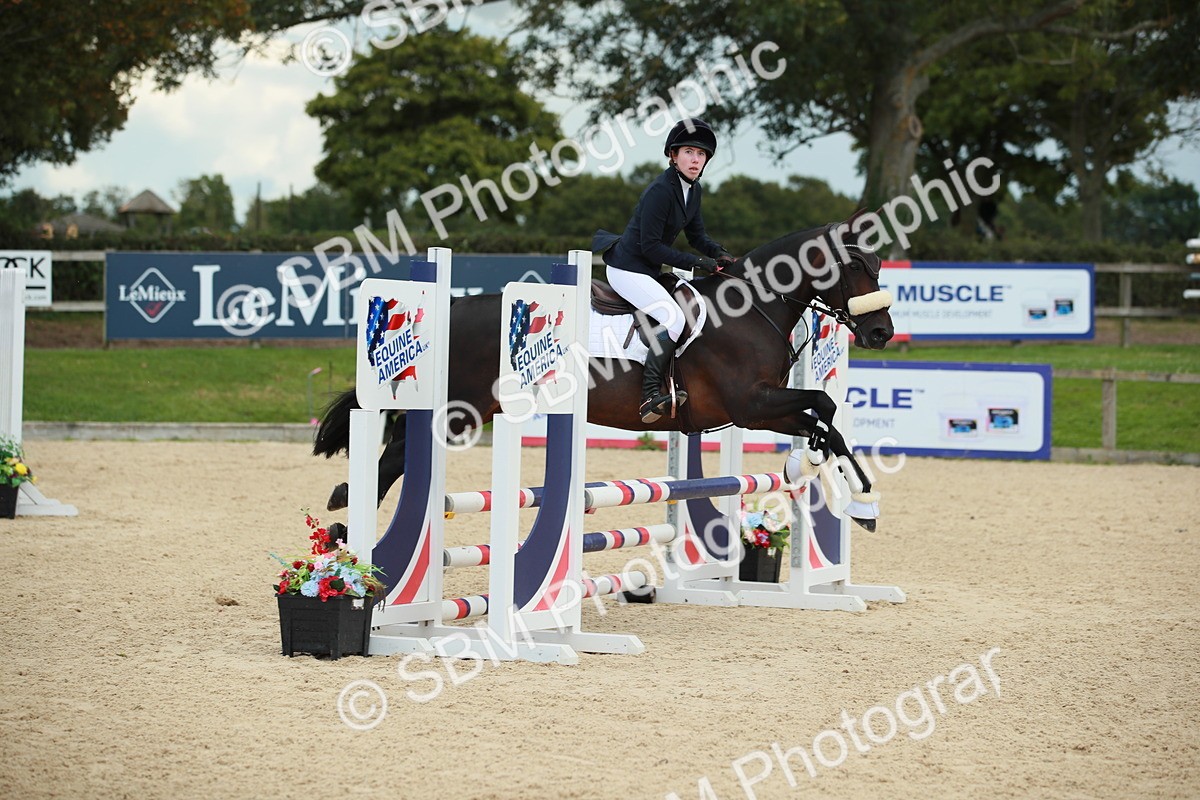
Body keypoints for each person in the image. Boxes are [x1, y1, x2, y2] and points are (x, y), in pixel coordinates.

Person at [593, 117, 736, 423]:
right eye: (689, 152)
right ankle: (649, 395)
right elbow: (651, 248)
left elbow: (697, 236)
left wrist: (718, 253)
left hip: (646, 271)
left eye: (701, 155)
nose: (696, 160)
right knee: (672, 318)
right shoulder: (661, 190)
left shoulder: (692, 190)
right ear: (673, 155)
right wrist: (698, 263)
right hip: (627, 269)